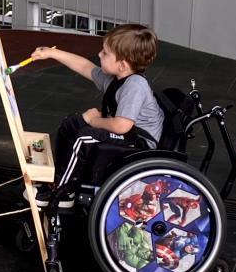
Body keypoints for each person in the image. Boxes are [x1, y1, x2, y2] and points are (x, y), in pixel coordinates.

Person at [31, 24, 165, 195]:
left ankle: (62, 192)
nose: (99, 54)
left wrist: (94, 120)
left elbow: (121, 126)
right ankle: (59, 176)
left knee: (84, 138)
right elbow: (85, 66)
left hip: (139, 142)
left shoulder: (135, 85)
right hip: (127, 131)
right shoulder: (117, 78)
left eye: (105, 53)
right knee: (72, 123)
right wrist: (51, 53)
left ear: (122, 65)